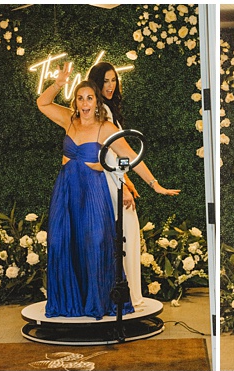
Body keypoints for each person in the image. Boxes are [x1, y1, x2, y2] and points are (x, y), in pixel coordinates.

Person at [37, 63, 178, 319]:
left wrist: (155, 185)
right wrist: (58, 84)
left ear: (97, 102)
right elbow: (43, 103)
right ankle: (70, 303)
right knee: (61, 243)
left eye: (89, 98)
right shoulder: (69, 121)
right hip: (66, 192)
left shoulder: (106, 128)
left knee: (96, 244)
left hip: (92, 192)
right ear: (76, 102)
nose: (84, 103)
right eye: (80, 98)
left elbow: (132, 157)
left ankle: (97, 303)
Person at [88, 60, 145, 307]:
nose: (110, 85)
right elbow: (110, 156)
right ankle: (128, 296)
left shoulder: (105, 111)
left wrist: (128, 181)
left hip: (113, 179)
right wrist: (123, 187)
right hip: (110, 182)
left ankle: (125, 295)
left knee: (122, 236)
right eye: (105, 81)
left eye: (113, 80)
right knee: (124, 236)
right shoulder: (104, 114)